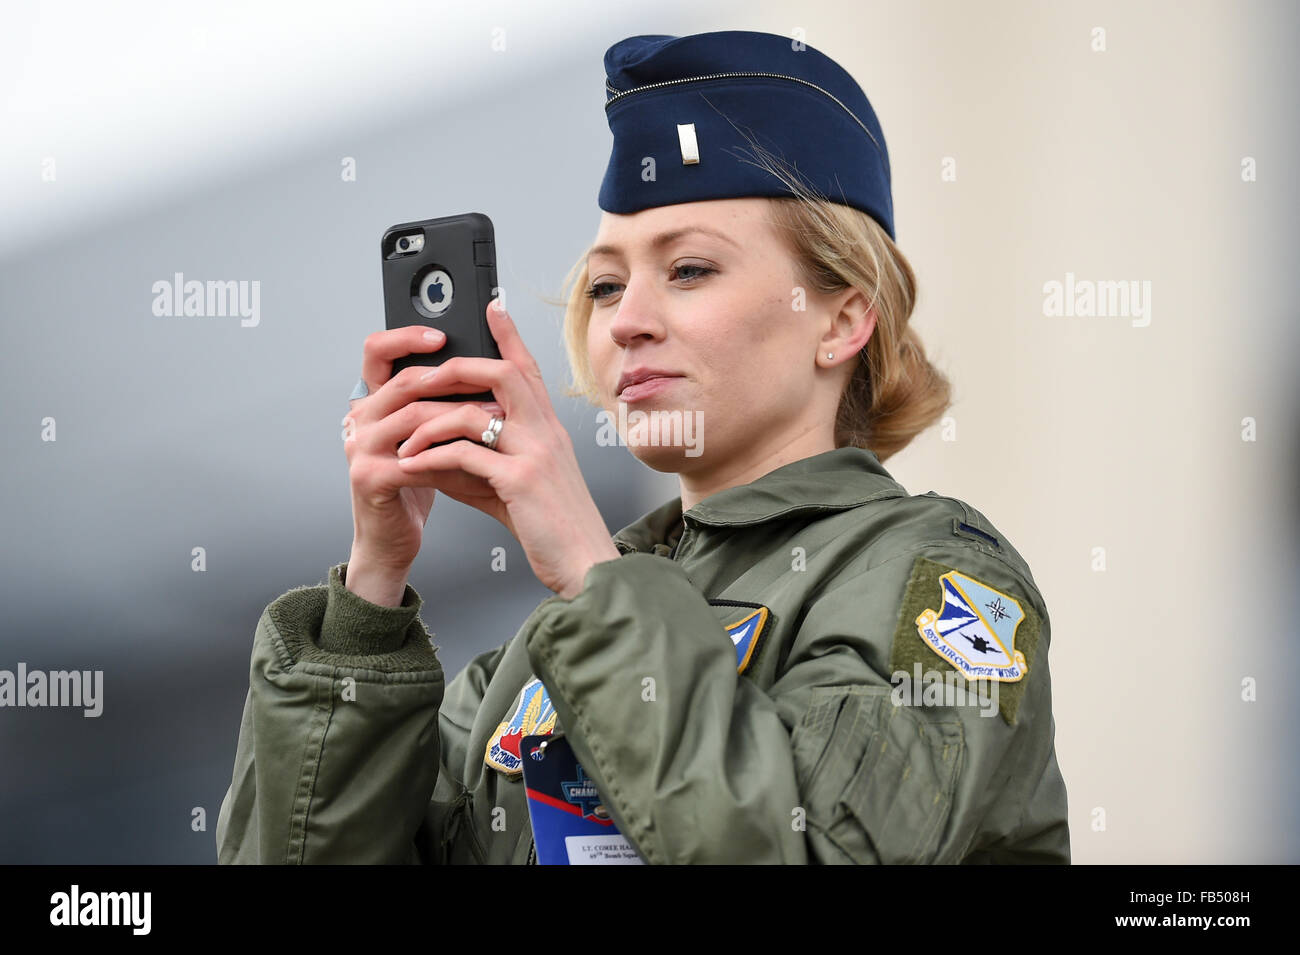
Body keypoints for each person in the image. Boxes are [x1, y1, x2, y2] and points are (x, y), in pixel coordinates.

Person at [216, 29, 1069, 865]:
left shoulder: (940, 576)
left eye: (690, 270)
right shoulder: (541, 655)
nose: (624, 321)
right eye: (607, 284)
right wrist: (372, 587)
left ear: (842, 319)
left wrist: (594, 575)